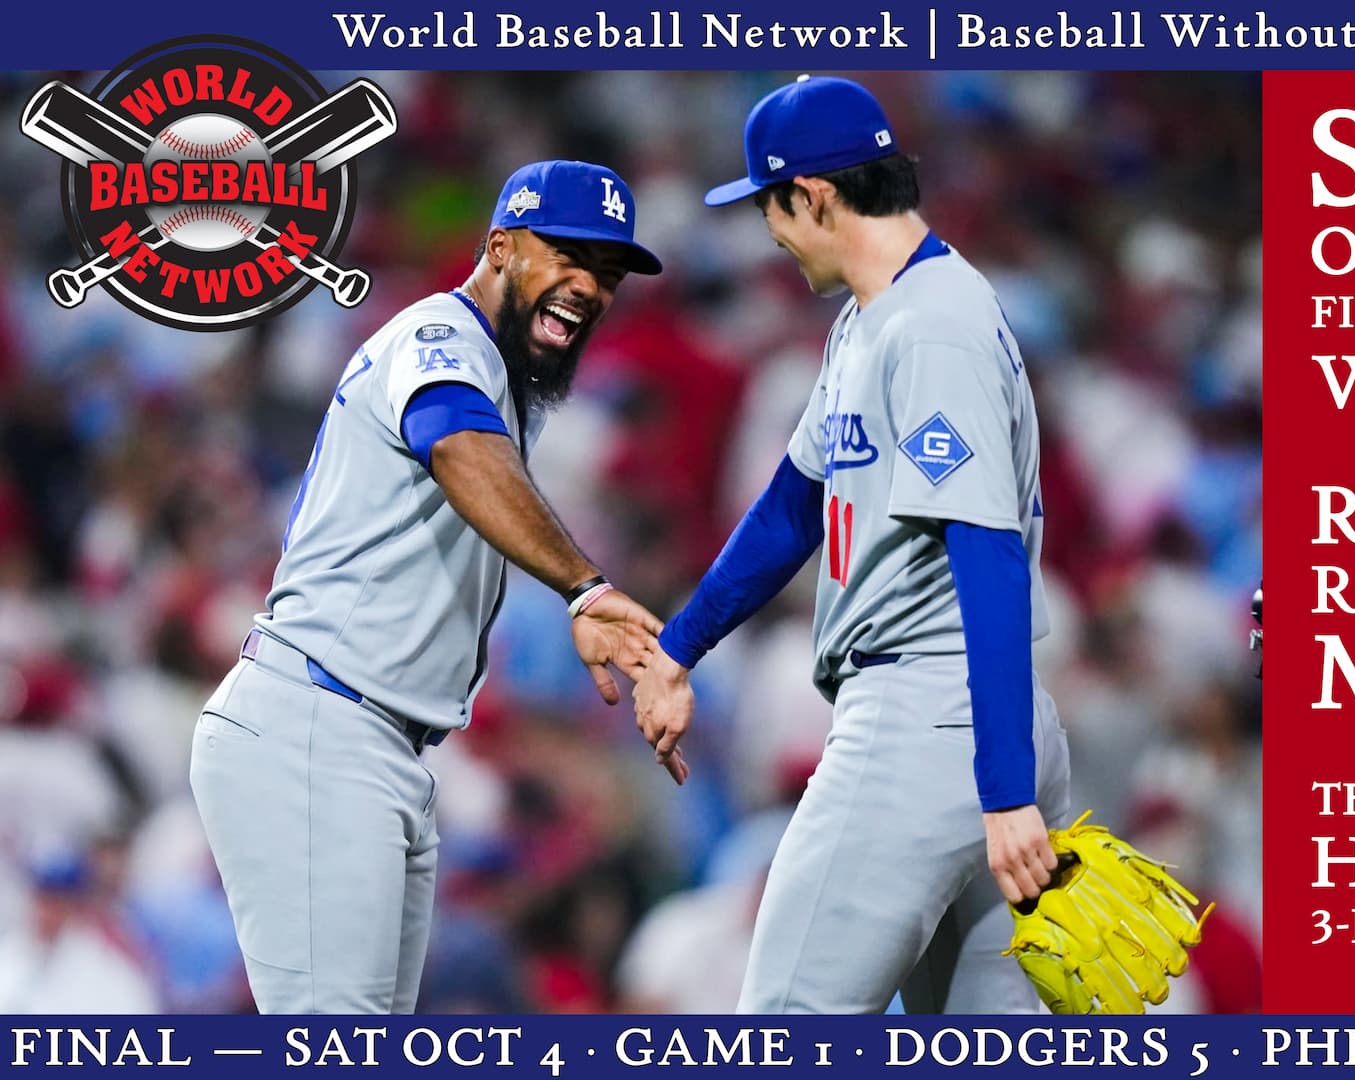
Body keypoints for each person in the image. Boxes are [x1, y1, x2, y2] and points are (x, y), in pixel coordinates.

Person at [631, 76, 1071, 1013]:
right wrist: (678, 649)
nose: (771, 231)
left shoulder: (934, 325)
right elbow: (794, 505)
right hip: (976, 722)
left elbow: (986, 552)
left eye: (771, 207)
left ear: (818, 195)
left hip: (932, 720)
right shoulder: (874, 318)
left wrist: (1004, 789)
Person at [190, 160, 668, 1014]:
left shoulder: (502, 379)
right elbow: (457, 444)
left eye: (607, 272)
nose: (589, 286)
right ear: (499, 246)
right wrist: (584, 589)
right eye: (567, 255)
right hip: (318, 727)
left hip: (377, 745)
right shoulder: (436, 335)